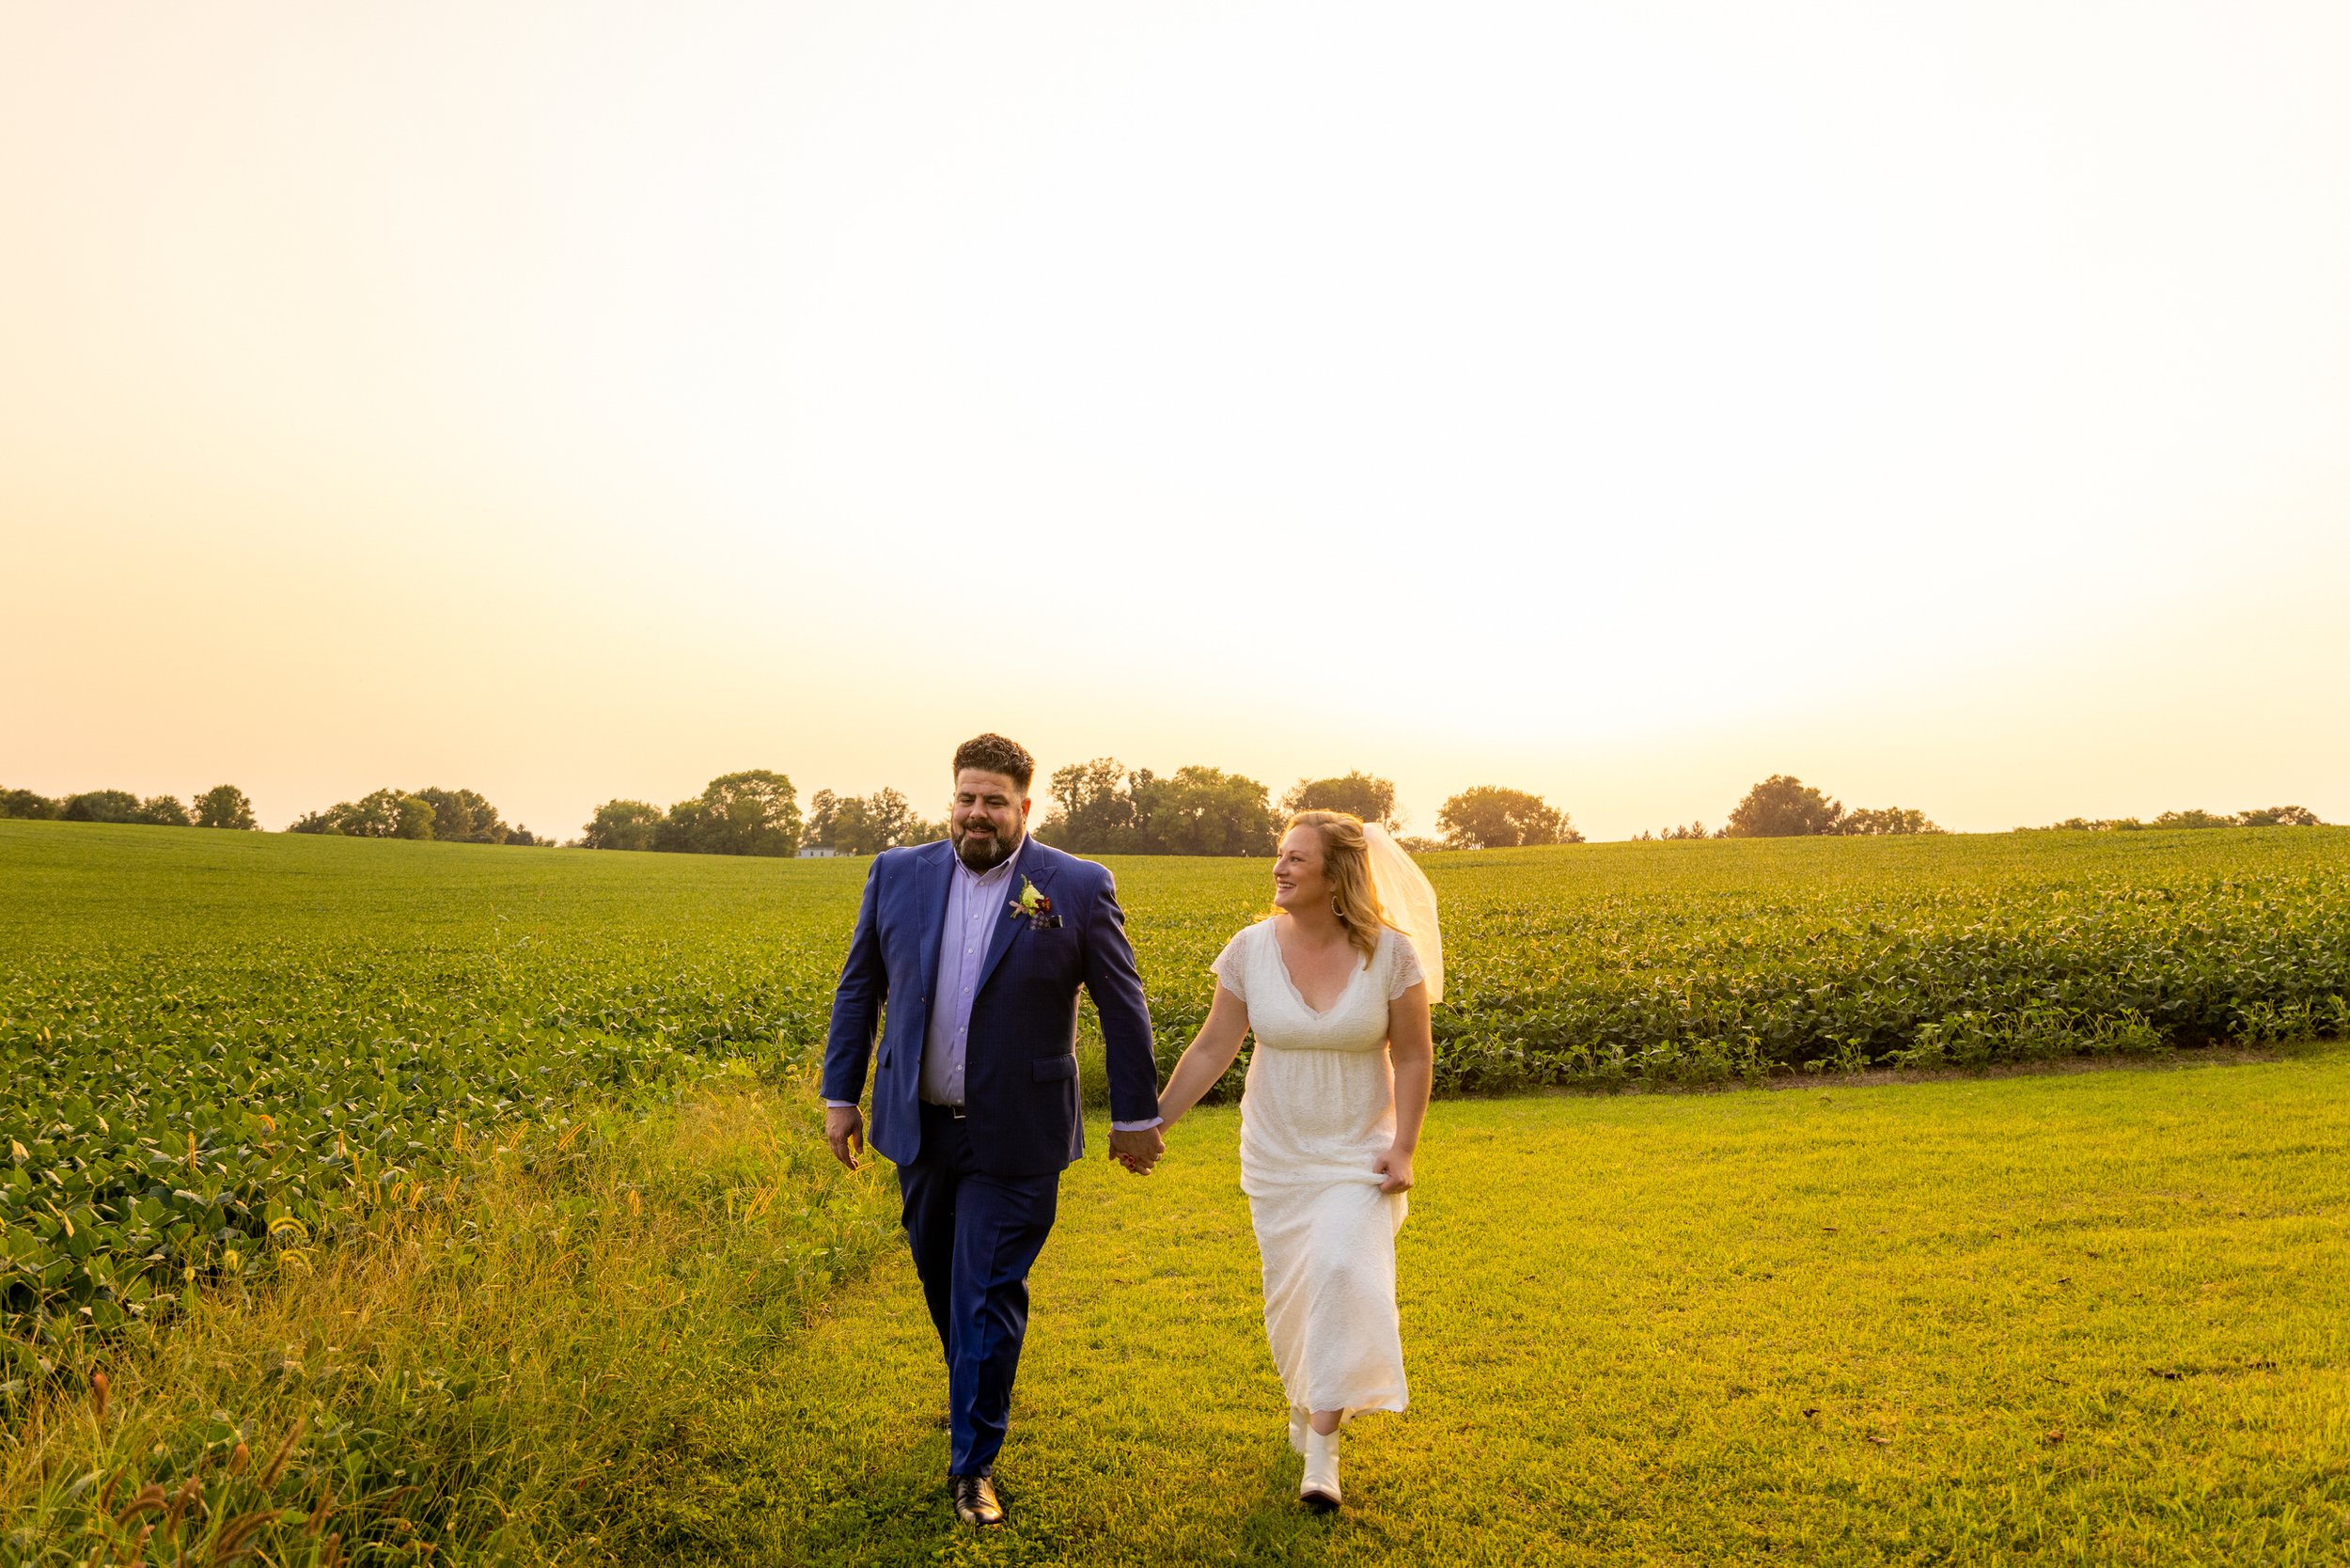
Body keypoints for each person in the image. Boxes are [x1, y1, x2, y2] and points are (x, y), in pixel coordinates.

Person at [820, 733, 1165, 1527]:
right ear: (953, 799)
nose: (979, 814)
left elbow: (1122, 1002)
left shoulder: (1073, 885)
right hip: (921, 1130)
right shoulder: (896, 874)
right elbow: (858, 989)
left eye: (995, 802)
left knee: (984, 1293)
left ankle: (972, 1466)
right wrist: (842, 1094)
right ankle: (972, 1394)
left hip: (1019, 1133)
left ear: (1025, 808)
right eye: (967, 798)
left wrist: (1137, 1114)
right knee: (946, 1284)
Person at [1151, 809, 1440, 1513]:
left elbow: (1412, 1053)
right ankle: (1308, 1397)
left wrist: (1403, 1147)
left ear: (1336, 874)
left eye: (1295, 859)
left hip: (1358, 1152)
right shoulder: (1249, 949)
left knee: (1343, 1271)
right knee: (1295, 1296)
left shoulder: (1392, 956)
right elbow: (1214, 1047)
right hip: (1277, 1151)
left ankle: (1323, 1451)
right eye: (1279, 856)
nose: (1279, 868)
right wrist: (1152, 1122)